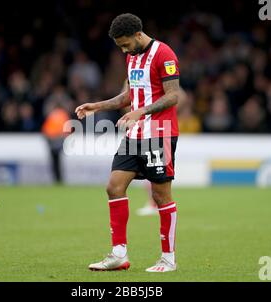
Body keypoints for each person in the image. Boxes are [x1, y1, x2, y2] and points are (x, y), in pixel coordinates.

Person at [75, 13, 182, 272]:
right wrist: (98, 106)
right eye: (119, 45)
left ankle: (168, 259)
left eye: (125, 44)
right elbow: (130, 95)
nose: (123, 49)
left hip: (160, 133)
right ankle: (119, 255)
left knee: (160, 195)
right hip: (135, 135)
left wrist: (141, 111)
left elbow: (173, 96)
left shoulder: (164, 54)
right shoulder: (131, 55)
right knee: (114, 187)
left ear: (138, 34)